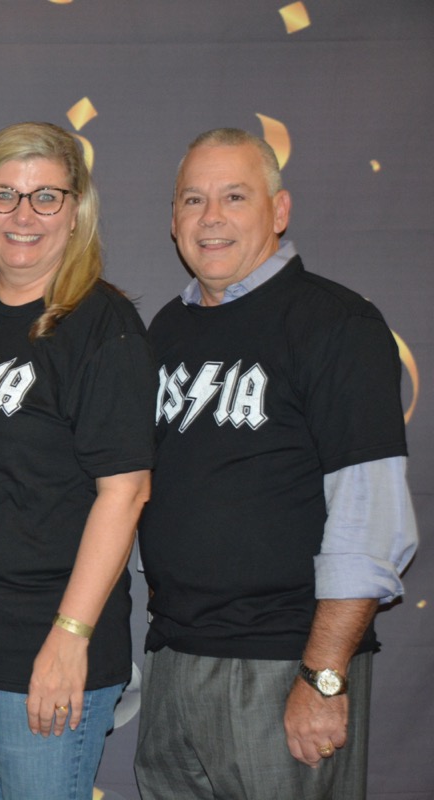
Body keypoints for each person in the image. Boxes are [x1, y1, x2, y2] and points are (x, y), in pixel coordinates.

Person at [134, 128, 418, 800]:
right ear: (173, 220)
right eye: (193, 200)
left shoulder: (336, 323)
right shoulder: (164, 332)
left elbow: (370, 517)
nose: (211, 217)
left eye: (235, 197)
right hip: (173, 656)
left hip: (285, 665)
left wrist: (323, 678)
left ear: (279, 210)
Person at [0, 121, 156, 800]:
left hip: (46, 643)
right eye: (5, 194)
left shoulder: (102, 327)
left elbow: (125, 493)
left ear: (76, 211)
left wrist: (71, 637)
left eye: (46, 196)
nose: (23, 215)